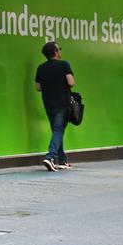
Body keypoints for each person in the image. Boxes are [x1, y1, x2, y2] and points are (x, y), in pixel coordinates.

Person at [35, 41, 75, 172]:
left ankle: (62, 160)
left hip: (48, 104)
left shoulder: (41, 68)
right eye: (59, 49)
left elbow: (38, 87)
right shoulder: (64, 64)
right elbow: (71, 82)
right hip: (63, 103)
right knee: (58, 130)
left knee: (57, 131)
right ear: (56, 52)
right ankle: (50, 157)